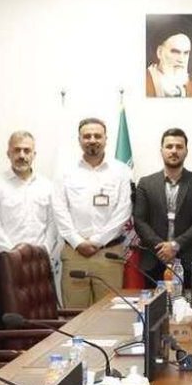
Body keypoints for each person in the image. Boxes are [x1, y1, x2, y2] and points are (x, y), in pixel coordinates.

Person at [51, 117, 133, 307]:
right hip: (74, 254)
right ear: (79, 140)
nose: (92, 140)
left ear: (106, 139)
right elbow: (59, 209)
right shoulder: (65, 171)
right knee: (75, 315)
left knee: (109, 313)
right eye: (87, 136)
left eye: (97, 136)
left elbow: (123, 210)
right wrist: (78, 242)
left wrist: (97, 241)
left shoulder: (121, 171)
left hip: (109, 254)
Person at [0, 131, 59, 320]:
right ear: (8, 153)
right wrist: (13, 256)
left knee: (42, 318)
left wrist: (43, 252)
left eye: (27, 150)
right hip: (5, 262)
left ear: (34, 154)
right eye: (17, 150)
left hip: (39, 264)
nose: (22, 155)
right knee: (8, 319)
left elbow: (52, 224)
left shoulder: (47, 186)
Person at [133, 128, 192, 289]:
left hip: (188, 260)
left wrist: (175, 245)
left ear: (186, 151)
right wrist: (162, 247)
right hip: (154, 259)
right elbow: (140, 220)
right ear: (161, 151)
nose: (174, 151)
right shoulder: (146, 183)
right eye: (169, 146)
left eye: (179, 146)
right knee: (154, 304)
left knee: (189, 304)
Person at [145, 20, 192, 97]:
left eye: (186, 53)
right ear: (160, 52)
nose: (181, 59)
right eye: (175, 52)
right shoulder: (145, 81)